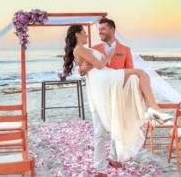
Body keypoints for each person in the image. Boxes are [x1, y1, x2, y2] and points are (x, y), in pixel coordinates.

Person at [63, 24, 172, 177]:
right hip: (105, 81)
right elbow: (96, 65)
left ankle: (113, 159)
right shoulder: (88, 48)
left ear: (111, 30)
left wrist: (88, 66)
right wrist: (96, 63)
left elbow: (91, 64)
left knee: (136, 80)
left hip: (109, 84)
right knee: (141, 74)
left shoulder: (124, 49)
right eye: (84, 33)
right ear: (77, 34)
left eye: (102, 29)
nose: (90, 35)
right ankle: (153, 108)